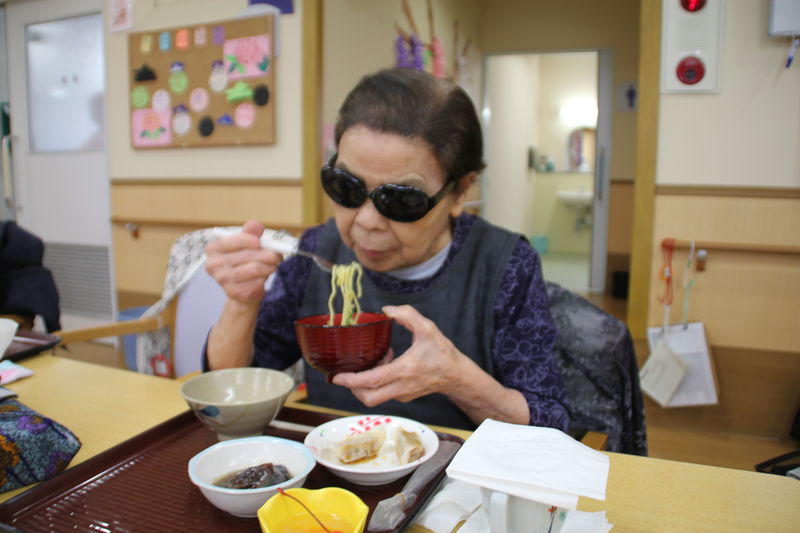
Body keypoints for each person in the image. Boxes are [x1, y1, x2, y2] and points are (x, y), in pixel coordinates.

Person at [204, 68, 570, 431]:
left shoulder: (506, 265)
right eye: (345, 186)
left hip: (457, 467)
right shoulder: (316, 251)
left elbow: (549, 422)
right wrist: (241, 303)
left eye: (400, 199)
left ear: (460, 192)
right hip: (326, 463)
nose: (366, 221)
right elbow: (232, 391)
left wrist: (457, 379)